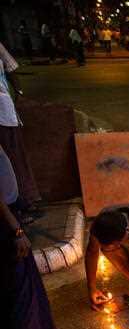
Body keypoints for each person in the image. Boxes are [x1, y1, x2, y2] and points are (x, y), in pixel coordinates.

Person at [1, 145, 82, 329]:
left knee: (17, 296)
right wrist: (15, 229)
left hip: (8, 215)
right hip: (4, 226)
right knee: (20, 298)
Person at [0, 41, 41, 222]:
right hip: (4, 112)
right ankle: (15, 211)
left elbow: (11, 69)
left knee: (11, 160)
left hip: (4, 113)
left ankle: (21, 203)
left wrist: (19, 92)